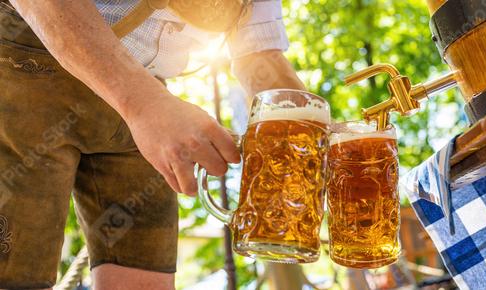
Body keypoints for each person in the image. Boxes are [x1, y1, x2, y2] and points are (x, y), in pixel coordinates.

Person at [0, 0, 306, 288]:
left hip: (147, 98)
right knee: (13, 276)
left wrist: (307, 142)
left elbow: (259, 55)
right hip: (26, 68)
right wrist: (143, 104)